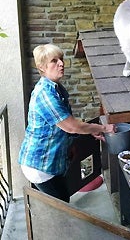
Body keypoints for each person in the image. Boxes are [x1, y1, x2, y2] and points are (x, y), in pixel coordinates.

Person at [18, 43, 115, 203]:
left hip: (49, 161)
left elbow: (64, 126)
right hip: (40, 164)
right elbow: (71, 126)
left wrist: (82, 136)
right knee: (61, 206)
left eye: (61, 59)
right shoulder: (45, 94)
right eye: (54, 61)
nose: (61, 63)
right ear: (42, 67)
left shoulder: (56, 89)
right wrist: (103, 127)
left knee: (61, 199)